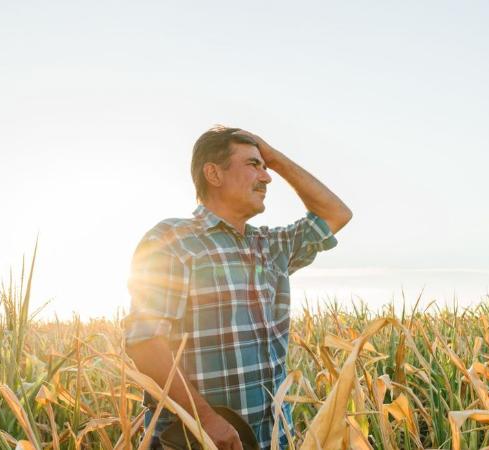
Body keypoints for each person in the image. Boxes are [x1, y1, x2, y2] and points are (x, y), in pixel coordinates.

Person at [123, 126, 352, 450]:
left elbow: (336, 213)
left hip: (271, 438)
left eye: (264, 166)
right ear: (214, 174)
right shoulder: (172, 240)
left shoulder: (269, 245)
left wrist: (273, 156)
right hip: (198, 440)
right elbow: (145, 341)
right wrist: (205, 419)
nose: (266, 177)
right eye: (253, 165)